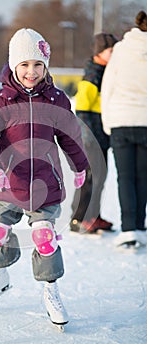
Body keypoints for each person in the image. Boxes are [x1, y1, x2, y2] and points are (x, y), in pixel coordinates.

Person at [0, 28, 88, 326]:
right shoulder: (0, 101)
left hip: (44, 184)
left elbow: (71, 137)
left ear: (46, 66)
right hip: (7, 183)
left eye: (37, 64)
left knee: (44, 237)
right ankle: (0, 275)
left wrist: (80, 165)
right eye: (24, 65)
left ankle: (51, 290)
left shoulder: (57, 100)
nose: (31, 72)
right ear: (13, 66)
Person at [101, 11, 147, 247]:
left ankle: (128, 229)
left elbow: (107, 86)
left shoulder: (121, 49)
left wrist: (108, 122)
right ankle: (140, 226)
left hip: (120, 119)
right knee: (143, 178)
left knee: (125, 178)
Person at [69, 32, 118, 234]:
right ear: (100, 52)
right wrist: (87, 137)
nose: (114, 54)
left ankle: (93, 215)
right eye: (110, 50)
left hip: (101, 135)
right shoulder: (91, 75)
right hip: (91, 137)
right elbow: (81, 109)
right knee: (90, 178)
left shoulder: (105, 72)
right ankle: (79, 218)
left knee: (101, 176)